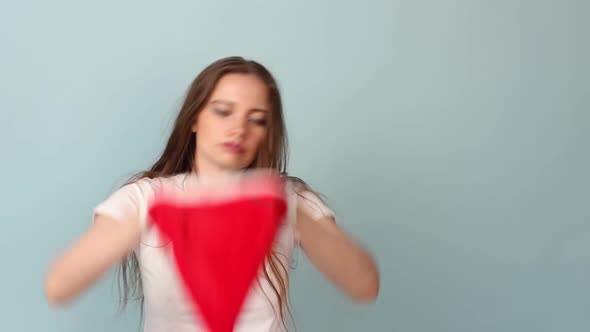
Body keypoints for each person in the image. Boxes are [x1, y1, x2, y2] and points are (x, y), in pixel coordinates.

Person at [44, 56, 380, 331]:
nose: (239, 128)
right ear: (193, 119)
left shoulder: (289, 199)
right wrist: (158, 214)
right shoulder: (144, 197)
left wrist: (289, 211)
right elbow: (59, 285)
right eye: (223, 111)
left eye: (258, 119)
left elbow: (364, 285)